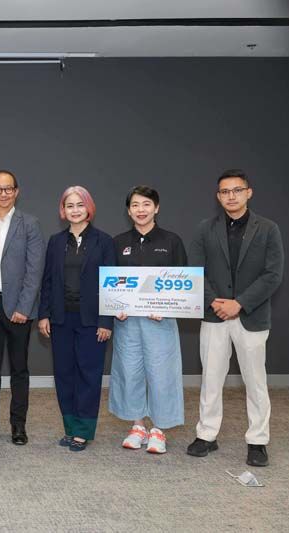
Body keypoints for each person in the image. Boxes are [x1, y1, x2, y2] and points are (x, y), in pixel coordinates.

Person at [187, 169, 284, 467]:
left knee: (255, 381)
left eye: (237, 190)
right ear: (218, 197)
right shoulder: (205, 228)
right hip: (214, 315)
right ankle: (207, 434)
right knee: (211, 378)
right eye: (225, 192)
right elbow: (197, 271)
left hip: (251, 317)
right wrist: (216, 302)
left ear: (248, 192)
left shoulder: (268, 229)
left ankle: (258, 440)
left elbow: (273, 275)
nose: (231, 196)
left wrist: (239, 303)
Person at [108, 186, 187, 454]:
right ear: (128, 210)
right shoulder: (118, 243)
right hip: (127, 321)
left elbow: (184, 284)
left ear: (157, 207)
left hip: (160, 321)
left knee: (161, 374)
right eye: (135, 205)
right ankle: (138, 425)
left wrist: (167, 306)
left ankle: (159, 429)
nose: (141, 210)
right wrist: (115, 306)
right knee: (129, 371)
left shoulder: (171, 241)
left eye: (146, 204)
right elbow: (111, 283)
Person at [38, 186, 114, 451]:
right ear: (63, 210)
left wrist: (106, 321)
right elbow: (47, 281)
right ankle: (70, 428)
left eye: (80, 205)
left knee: (89, 375)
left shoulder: (104, 241)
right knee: (64, 374)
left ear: (89, 208)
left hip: (92, 321)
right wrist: (43, 314)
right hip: (61, 319)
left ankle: (83, 431)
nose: (75, 210)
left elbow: (110, 285)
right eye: (69, 205)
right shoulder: (56, 242)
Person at [0, 170, 45, 445]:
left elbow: (34, 270)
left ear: (16, 191)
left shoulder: (30, 224)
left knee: (19, 370)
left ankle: (18, 426)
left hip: (18, 309)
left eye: (8, 188)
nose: (3, 193)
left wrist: (25, 308)